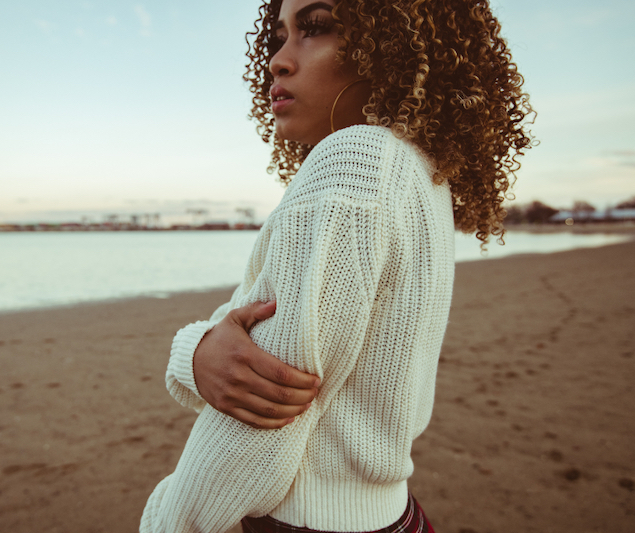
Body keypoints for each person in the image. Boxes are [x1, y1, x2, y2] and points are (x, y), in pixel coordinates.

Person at [141, 0, 533, 531]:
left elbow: (263, 420)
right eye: (278, 36)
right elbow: (247, 323)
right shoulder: (417, 171)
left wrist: (169, 523)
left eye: (315, 28)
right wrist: (194, 353)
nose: (278, 60)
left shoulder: (355, 163)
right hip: (388, 516)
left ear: (390, 47)